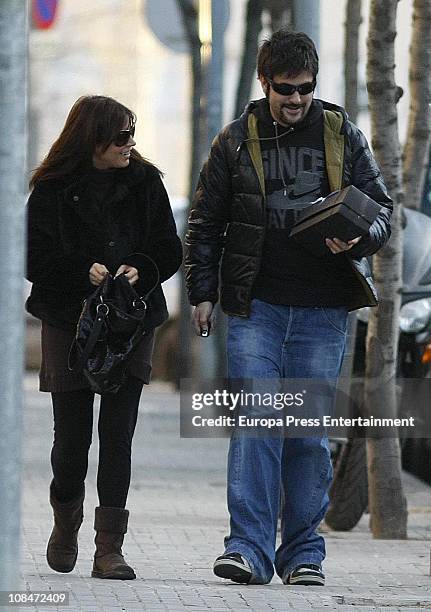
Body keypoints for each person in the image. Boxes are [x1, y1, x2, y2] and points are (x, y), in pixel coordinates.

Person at [185, 30, 392, 586]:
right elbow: (205, 222)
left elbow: (381, 211)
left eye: (304, 89)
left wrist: (358, 239)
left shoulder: (341, 133)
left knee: (306, 434)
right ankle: (247, 549)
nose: (295, 100)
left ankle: (303, 553)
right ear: (264, 82)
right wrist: (202, 292)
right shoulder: (234, 141)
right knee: (257, 422)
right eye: (284, 90)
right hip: (257, 308)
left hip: (324, 311)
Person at [26, 95, 182, 580]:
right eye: (120, 136)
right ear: (92, 140)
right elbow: (31, 258)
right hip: (69, 321)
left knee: (118, 436)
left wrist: (144, 268)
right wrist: (80, 272)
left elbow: (170, 247)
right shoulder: (52, 188)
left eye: (132, 134)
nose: (129, 145)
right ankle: (65, 522)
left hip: (130, 323)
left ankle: (108, 548)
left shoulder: (145, 183)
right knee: (70, 439)